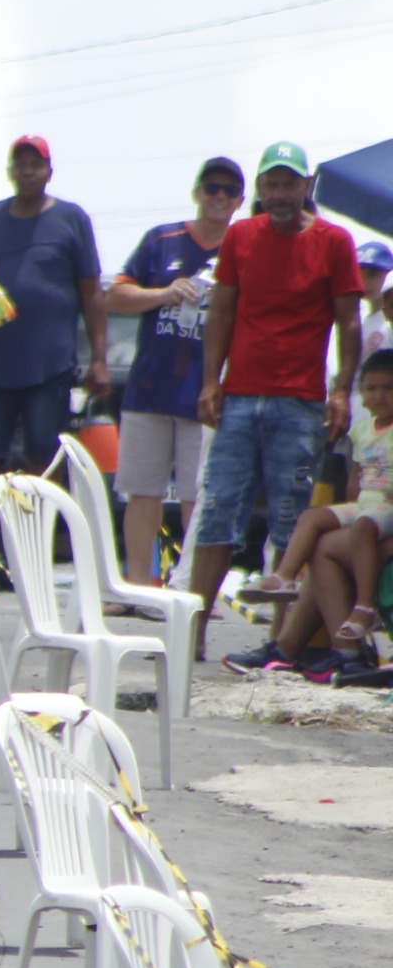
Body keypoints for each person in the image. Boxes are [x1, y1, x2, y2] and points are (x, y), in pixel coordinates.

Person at [188, 140, 365, 648]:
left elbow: (348, 323)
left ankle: (282, 641)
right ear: (260, 189)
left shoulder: (334, 240)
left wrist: (340, 390)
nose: (280, 192)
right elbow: (221, 311)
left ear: (307, 186)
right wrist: (209, 382)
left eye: (290, 183)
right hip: (240, 395)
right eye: (272, 183)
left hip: (300, 400)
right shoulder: (242, 235)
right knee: (218, 511)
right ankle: (194, 631)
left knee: (290, 522)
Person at [103, 157, 242, 589]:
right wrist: (164, 292)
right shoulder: (161, 240)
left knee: (197, 497)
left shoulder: (244, 245)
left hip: (206, 394)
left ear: (239, 200)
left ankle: (193, 590)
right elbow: (115, 296)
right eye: (211, 188)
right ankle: (138, 587)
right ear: (197, 192)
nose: (219, 197)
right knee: (141, 492)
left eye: (228, 190)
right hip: (149, 388)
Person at [223, 349, 393, 678]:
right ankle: (288, 603)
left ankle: (345, 639)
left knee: (327, 547)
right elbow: (356, 483)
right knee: (316, 524)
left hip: (384, 516)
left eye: (387, 388)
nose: (379, 395)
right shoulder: (363, 430)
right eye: (372, 388)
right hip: (369, 511)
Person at [0, 135, 109, 510]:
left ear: (49, 172)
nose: (28, 172)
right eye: (20, 164)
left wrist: (99, 359)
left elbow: (92, 293)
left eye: (35, 165)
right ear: (10, 171)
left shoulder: (71, 218)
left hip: (50, 362)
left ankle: (38, 534)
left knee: (43, 452)